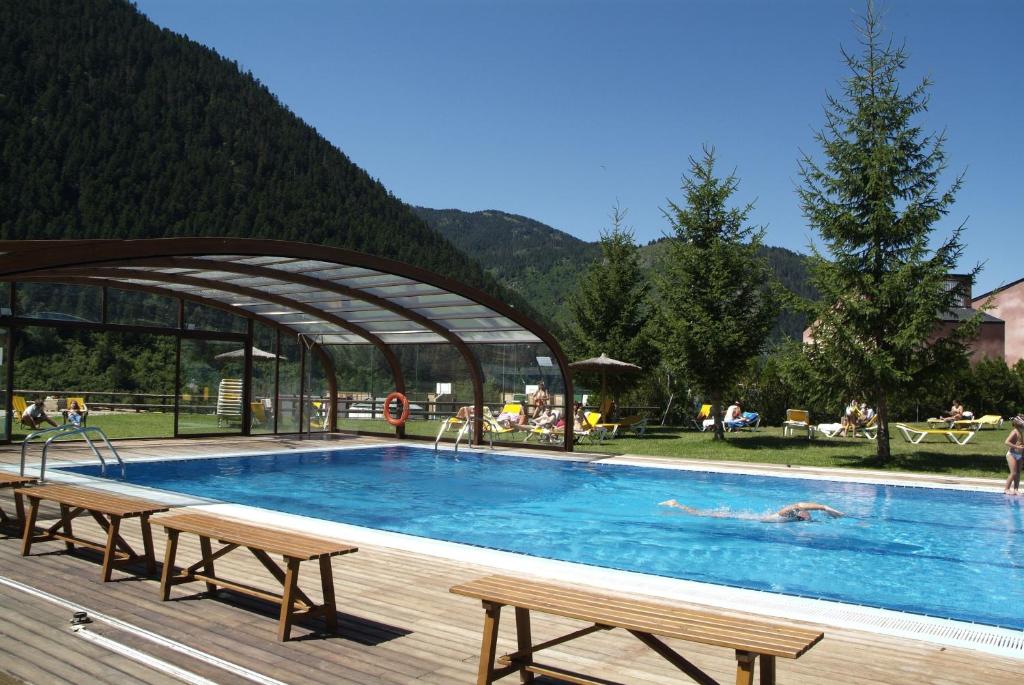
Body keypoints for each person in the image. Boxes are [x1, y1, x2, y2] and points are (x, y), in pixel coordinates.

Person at [659, 499, 845, 523]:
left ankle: (677, 504)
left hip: (745, 518)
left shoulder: (795, 520)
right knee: (699, 513)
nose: (808, 516)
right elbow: (799, 504)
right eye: (807, 515)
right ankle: (675, 504)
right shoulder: (786, 514)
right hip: (742, 517)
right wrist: (825, 507)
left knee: (702, 512)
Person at [1004, 415, 1024, 496]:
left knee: (1018, 473)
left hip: (1019, 455)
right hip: (1012, 454)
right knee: (1013, 473)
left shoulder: (1020, 432)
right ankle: (1006, 489)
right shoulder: (1014, 432)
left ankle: (1016, 489)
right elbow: (1006, 442)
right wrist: (1017, 447)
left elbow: (1020, 443)